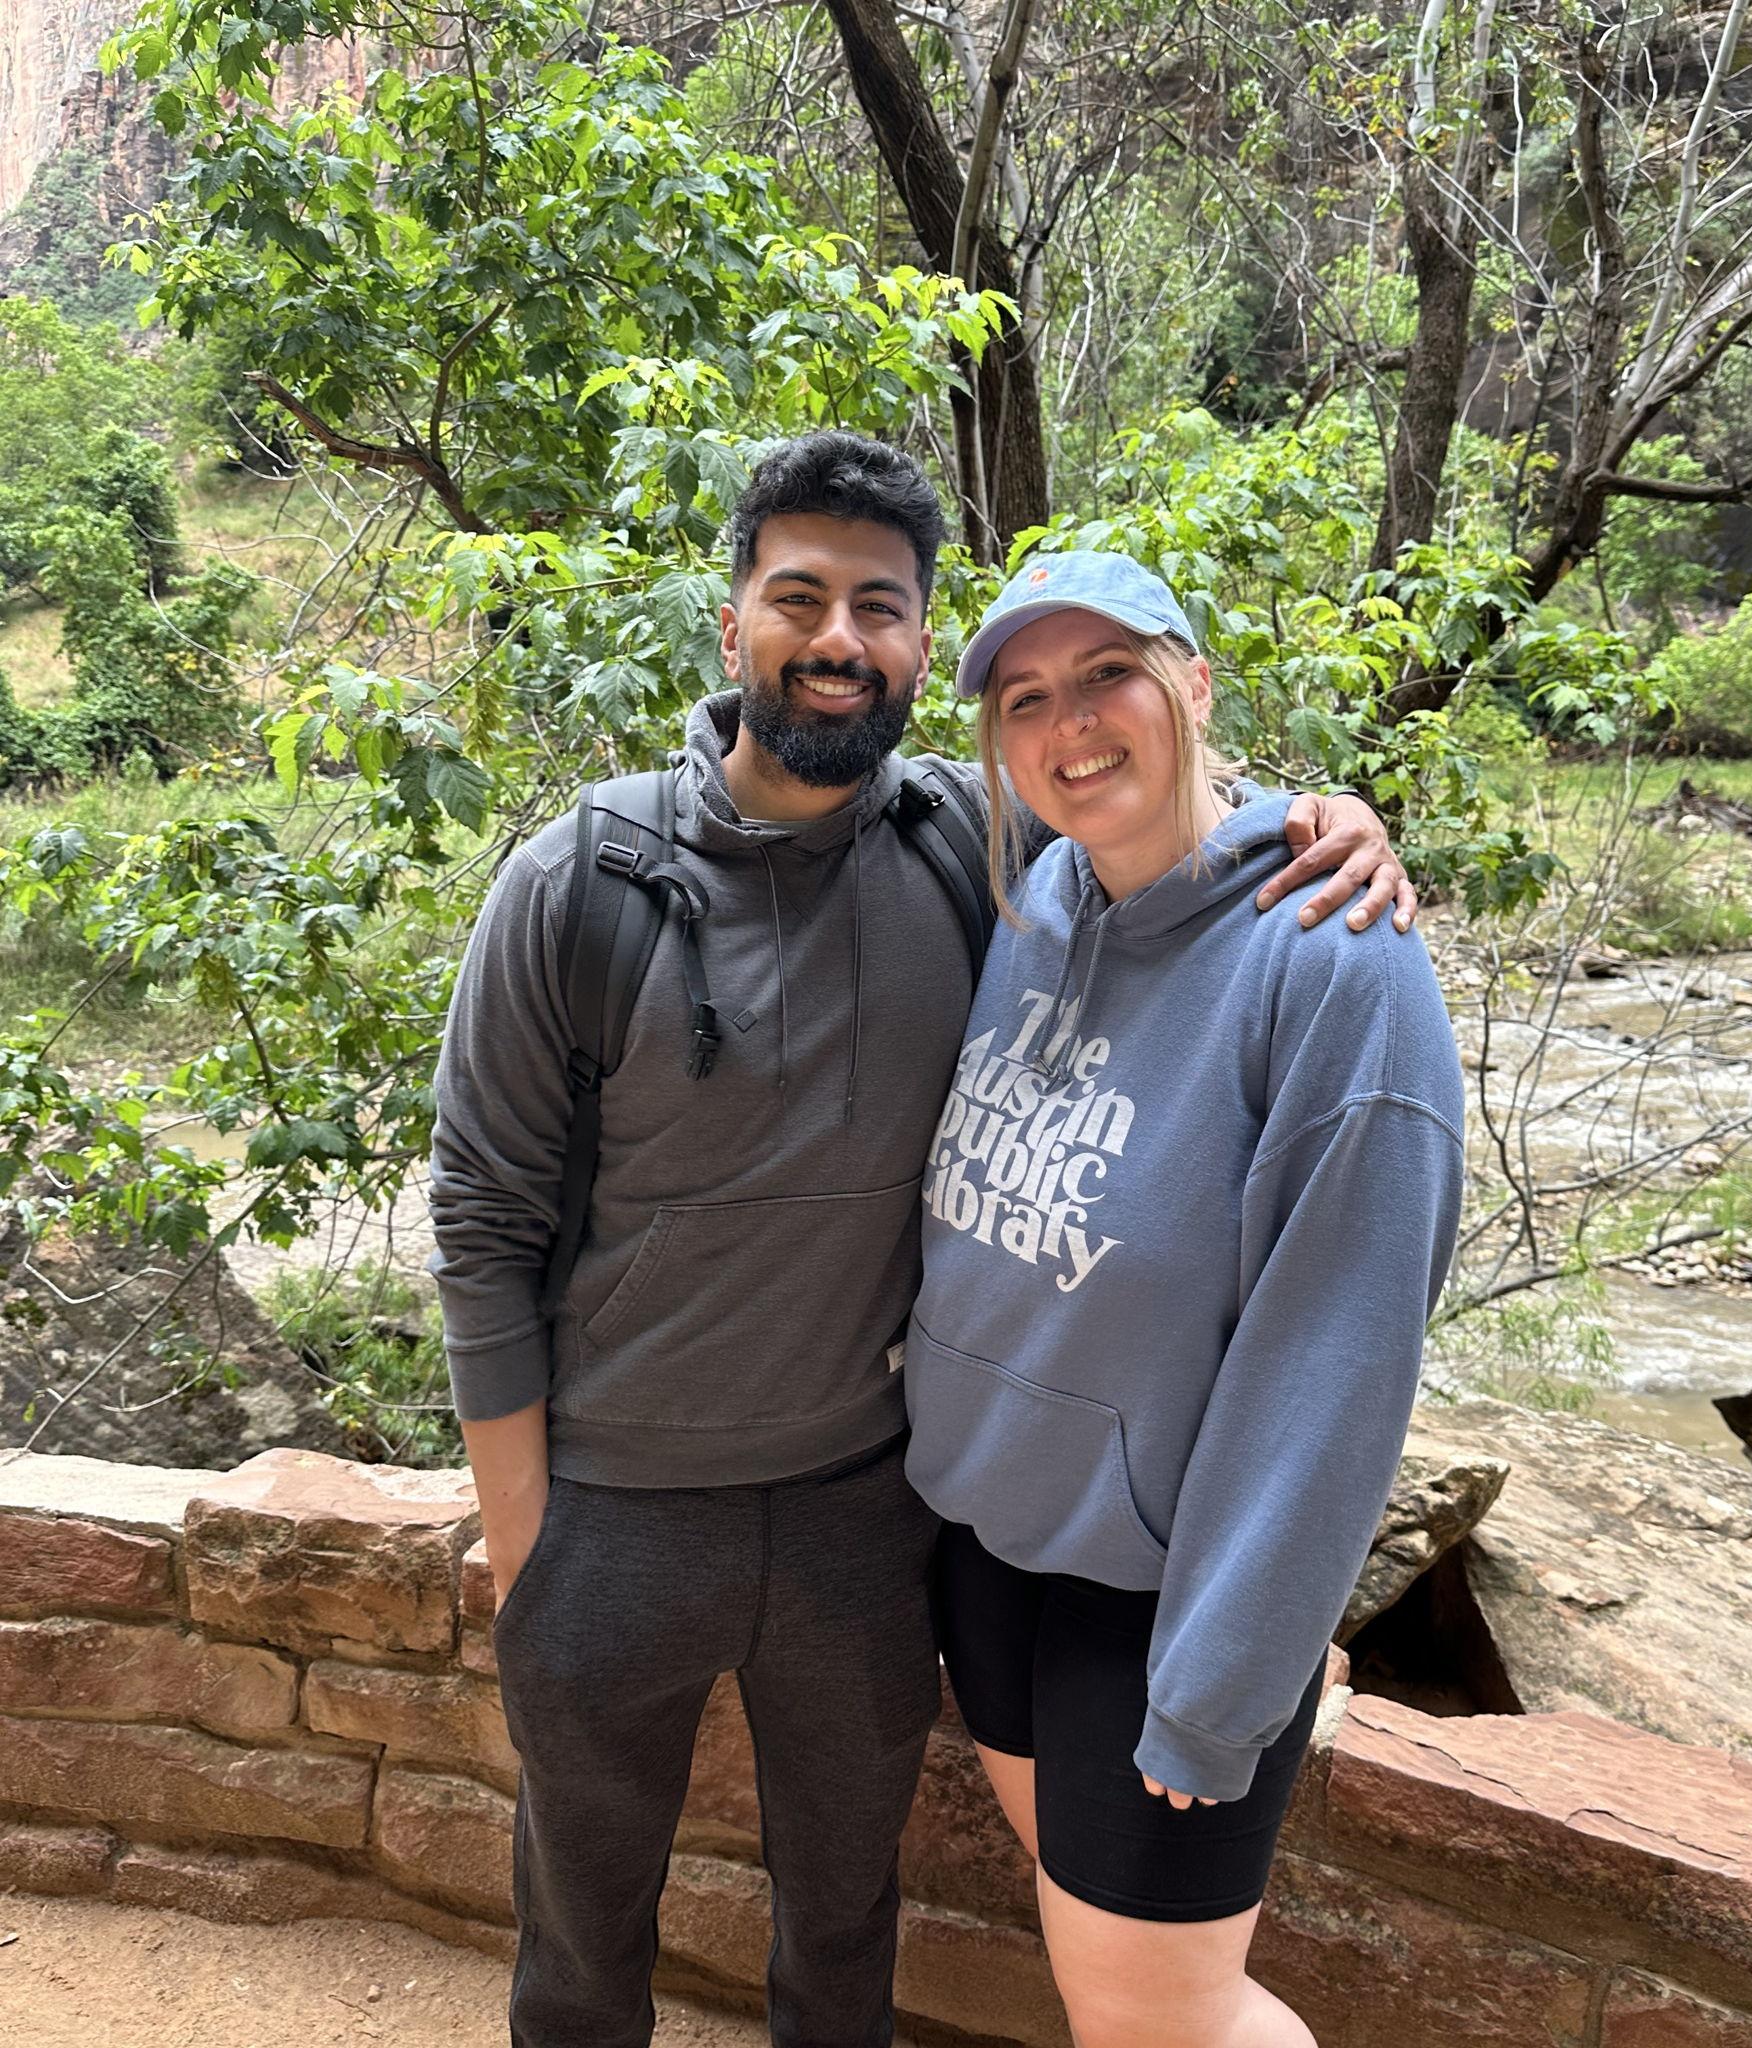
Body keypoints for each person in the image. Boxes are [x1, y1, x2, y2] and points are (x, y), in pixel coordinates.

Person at [428, 431, 1414, 2048]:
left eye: (878, 607)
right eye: (797, 597)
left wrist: (1330, 819)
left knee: (846, 1930)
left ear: (913, 641)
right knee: (581, 1936)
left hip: (863, 1520)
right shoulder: (584, 881)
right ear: (732, 622)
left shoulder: (968, 846)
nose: (837, 639)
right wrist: (530, 1541)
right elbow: (480, 1219)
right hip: (624, 1510)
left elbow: (1151, 802)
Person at [904, 551, 1465, 2047]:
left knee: (1159, 2017)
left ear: (1197, 686)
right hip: (991, 1553)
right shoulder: (1033, 890)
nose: (1071, 724)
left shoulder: (1335, 959)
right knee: (1119, 1979)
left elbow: (1334, 1367)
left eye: (1111, 676)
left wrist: (1220, 1689)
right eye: (1028, 698)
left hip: (1158, 1605)